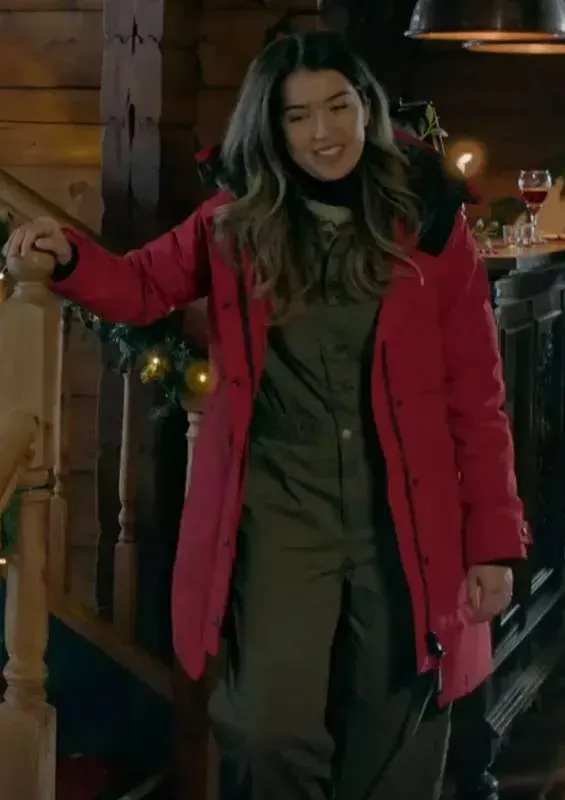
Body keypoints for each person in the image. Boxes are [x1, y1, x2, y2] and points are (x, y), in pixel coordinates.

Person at [4, 30, 529, 800]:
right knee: (264, 727)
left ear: (367, 108)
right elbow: (141, 286)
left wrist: (493, 545)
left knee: (396, 730)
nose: (324, 132)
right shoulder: (233, 221)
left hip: (407, 519)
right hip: (280, 513)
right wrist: (71, 257)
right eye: (298, 115)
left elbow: (478, 398)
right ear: (271, 127)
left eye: (339, 107)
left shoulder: (432, 221)